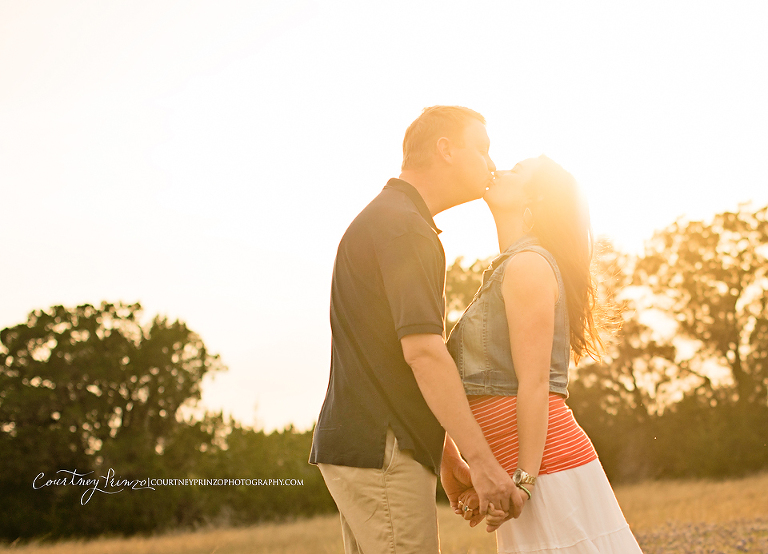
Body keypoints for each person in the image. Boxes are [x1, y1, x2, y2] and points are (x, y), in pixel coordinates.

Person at [309, 106, 520, 554]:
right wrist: (482, 463)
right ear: (445, 150)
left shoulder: (393, 218)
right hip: (382, 449)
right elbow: (423, 354)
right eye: (481, 149)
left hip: (366, 445)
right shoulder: (406, 229)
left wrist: (446, 457)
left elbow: (386, 358)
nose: (491, 164)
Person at [447, 156, 643, 553]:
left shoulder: (528, 266)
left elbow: (535, 384)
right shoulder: (509, 268)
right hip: (523, 471)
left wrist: (524, 481)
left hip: (547, 472)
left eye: (516, 171)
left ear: (532, 202)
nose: (497, 169)